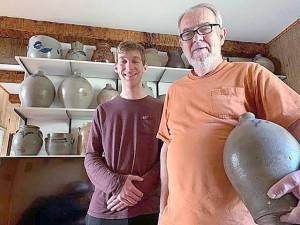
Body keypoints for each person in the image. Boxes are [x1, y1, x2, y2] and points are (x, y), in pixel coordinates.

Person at [157, 3, 300, 225]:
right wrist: (162, 210)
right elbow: (167, 148)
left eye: (205, 29)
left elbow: (296, 121)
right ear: (181, 44)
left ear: (222, 35)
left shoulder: (250, 73)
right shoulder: (174, 90)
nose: (196, 38)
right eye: (187, 33)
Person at [84, 40, 163, 225]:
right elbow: (91, 157)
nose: (129, 66)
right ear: (116, 67)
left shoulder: (161, 109)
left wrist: (133, 191)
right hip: (105, 208)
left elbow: (167, 157)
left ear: (145, 67)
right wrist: (117, 184)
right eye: (123, 61)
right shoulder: (103, 111)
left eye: (135, 61)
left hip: (146, 208)